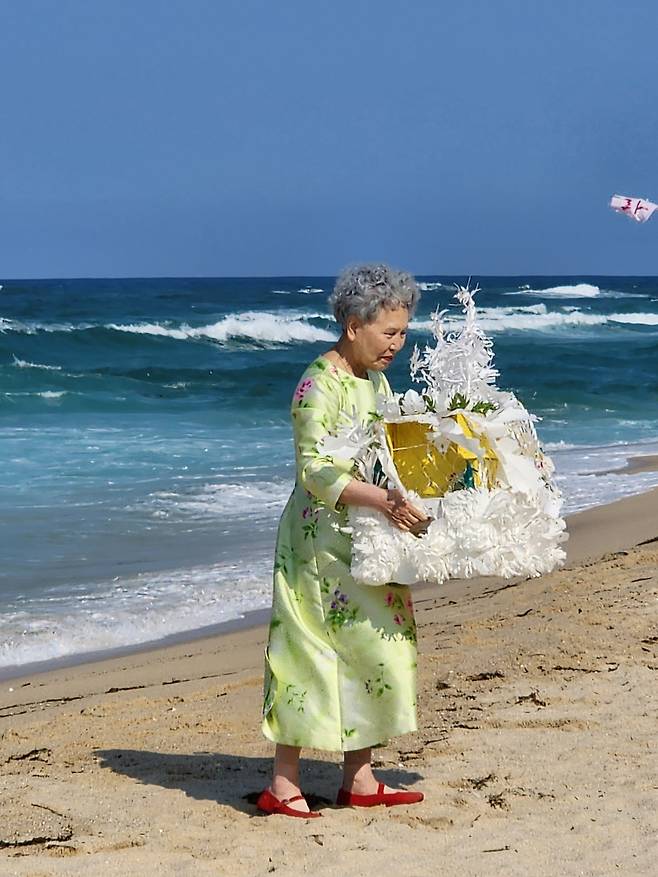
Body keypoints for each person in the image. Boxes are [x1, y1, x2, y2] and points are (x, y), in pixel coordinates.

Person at [257, 264, 428, 818]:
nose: (398, 345)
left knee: (375, 645)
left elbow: (383, 451)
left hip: (367, 535)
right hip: (315, 543)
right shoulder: (317, 383)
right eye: (389, 333)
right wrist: (385, 502)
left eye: (404, 333)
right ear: (354, 326)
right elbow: (314, 470)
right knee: (307, 654)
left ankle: (359, 777)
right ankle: (283, 783)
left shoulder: (373, 380)